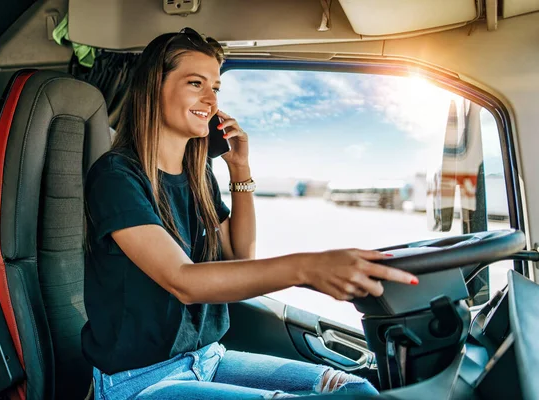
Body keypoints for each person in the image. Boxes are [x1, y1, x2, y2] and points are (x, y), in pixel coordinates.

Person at [81, 27, 419, 400]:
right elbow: (184, 281)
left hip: (207, 360)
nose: (211, 99)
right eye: (196, 83)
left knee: (355, 389)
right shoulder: (116, 176)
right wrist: (306, 268)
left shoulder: (198, 176)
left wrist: (240, 168)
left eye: (216, 87)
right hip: (140, 381)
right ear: (153, 87)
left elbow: (241, 256)